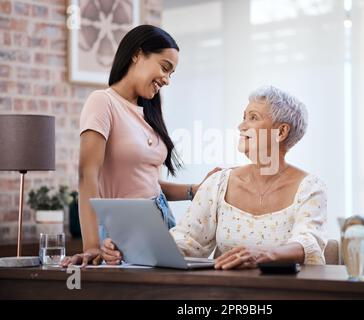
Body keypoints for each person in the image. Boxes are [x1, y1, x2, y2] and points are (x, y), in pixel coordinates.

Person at [102, 85, 327, 269]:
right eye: (243, 117)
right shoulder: (219, 184)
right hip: (223, 294)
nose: (241, 125)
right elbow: (187, 241)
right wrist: (131, 247)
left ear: (281, 132)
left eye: (253, 117)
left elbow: (307, 243)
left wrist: (262, 254)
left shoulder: (309, 188)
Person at [61, 25, 218, 267]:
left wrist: (195, 190)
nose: (166, 80)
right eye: (165, 68)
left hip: (163, 222)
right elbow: (87, 176)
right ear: (137, 54)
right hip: (124, 230)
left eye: (171, 74)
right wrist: (91, 246)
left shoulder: (150, 113)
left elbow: (147, 185)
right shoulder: (103, 102)